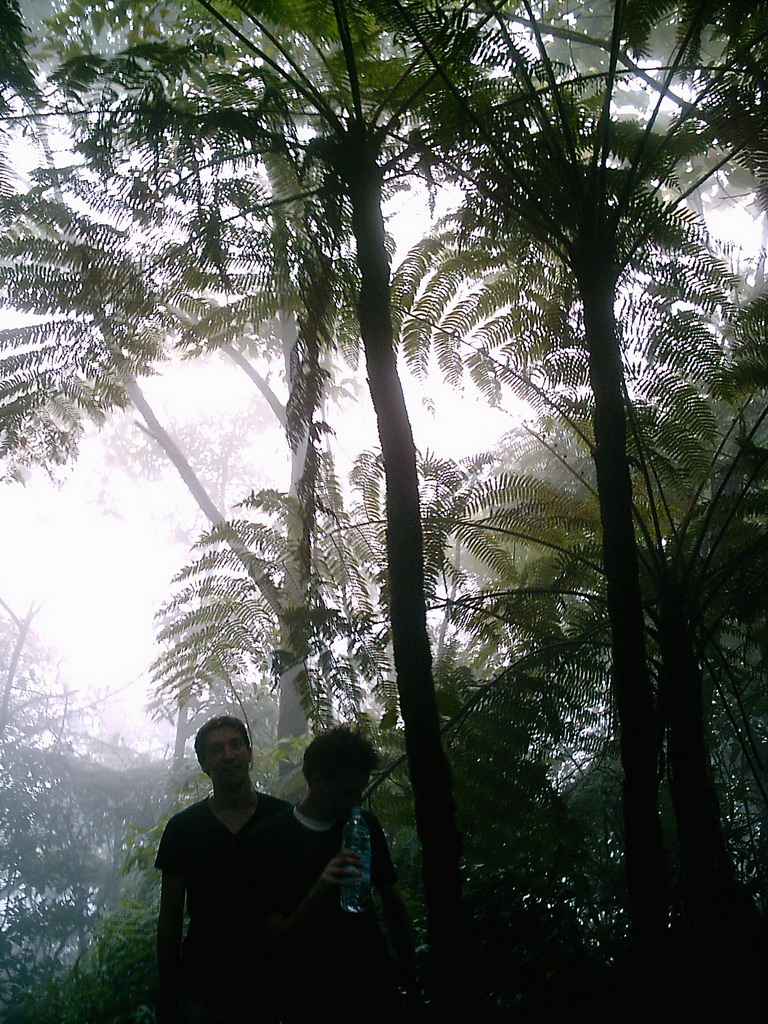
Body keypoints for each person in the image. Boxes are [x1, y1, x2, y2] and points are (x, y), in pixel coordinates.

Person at [249, 726, 416, 1023]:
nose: (356, 801)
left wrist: (410, 972)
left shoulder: (365, 826)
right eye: (347, 792)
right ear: (315, 778)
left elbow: (392, 902)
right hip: (309, 995)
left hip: (372, 986)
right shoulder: (270, 839)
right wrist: (322, 888)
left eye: (361, 790)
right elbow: (273, 939)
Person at [155, 715, 290, 1024]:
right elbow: (170, 917)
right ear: (204, 764)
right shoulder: (183, 829)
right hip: (202, 986)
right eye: (216, 750)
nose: (228, 755)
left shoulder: (281, 819)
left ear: (249, 753)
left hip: (271, 986)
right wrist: (168, 994)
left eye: (236, 745)